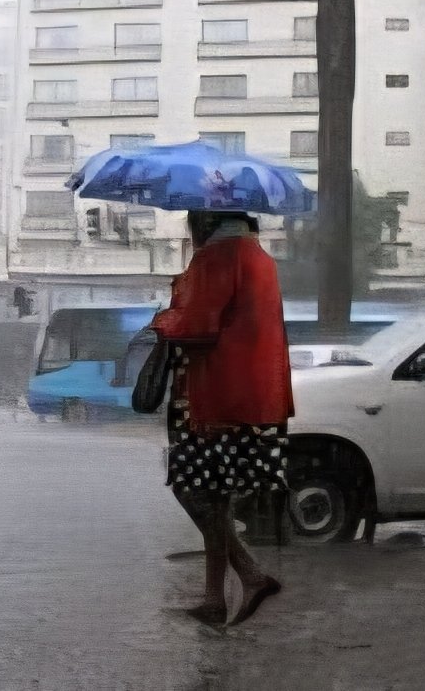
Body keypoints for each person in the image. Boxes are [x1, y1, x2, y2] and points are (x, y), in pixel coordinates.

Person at [152, 210, 294, 627]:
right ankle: (218, 595)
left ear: (205, 222)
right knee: (214, 498)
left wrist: (164, 317)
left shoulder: (218, 258)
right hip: (252, 396)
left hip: (214, 398)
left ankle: (246, 577)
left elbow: (198, 326)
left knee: (194, 491)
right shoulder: (259, 257)